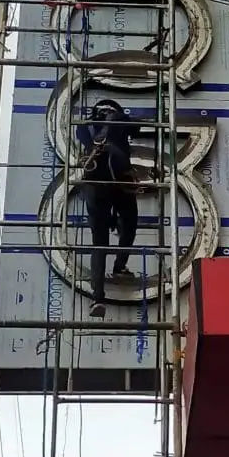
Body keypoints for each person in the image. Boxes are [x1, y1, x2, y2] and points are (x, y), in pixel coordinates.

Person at [76, 99, 142, 318]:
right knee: (104, 240)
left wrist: (117, 122)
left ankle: (110, 279)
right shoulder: (89, 126)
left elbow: (135, 128)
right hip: (102, 183)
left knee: (114, 233)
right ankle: (100, 293)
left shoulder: (110, 126)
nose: (107, 115)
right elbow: (86, 137)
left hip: (112, 182)